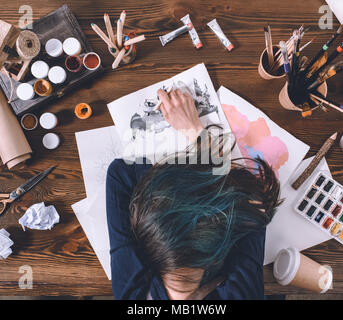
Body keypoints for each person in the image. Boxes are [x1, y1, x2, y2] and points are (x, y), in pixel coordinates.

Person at [106, 88, 282, 300]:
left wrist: (202, 153)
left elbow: (120, 173)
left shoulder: (133, 294)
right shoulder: (242, 293)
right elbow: (254, 202)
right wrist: (196, 133)